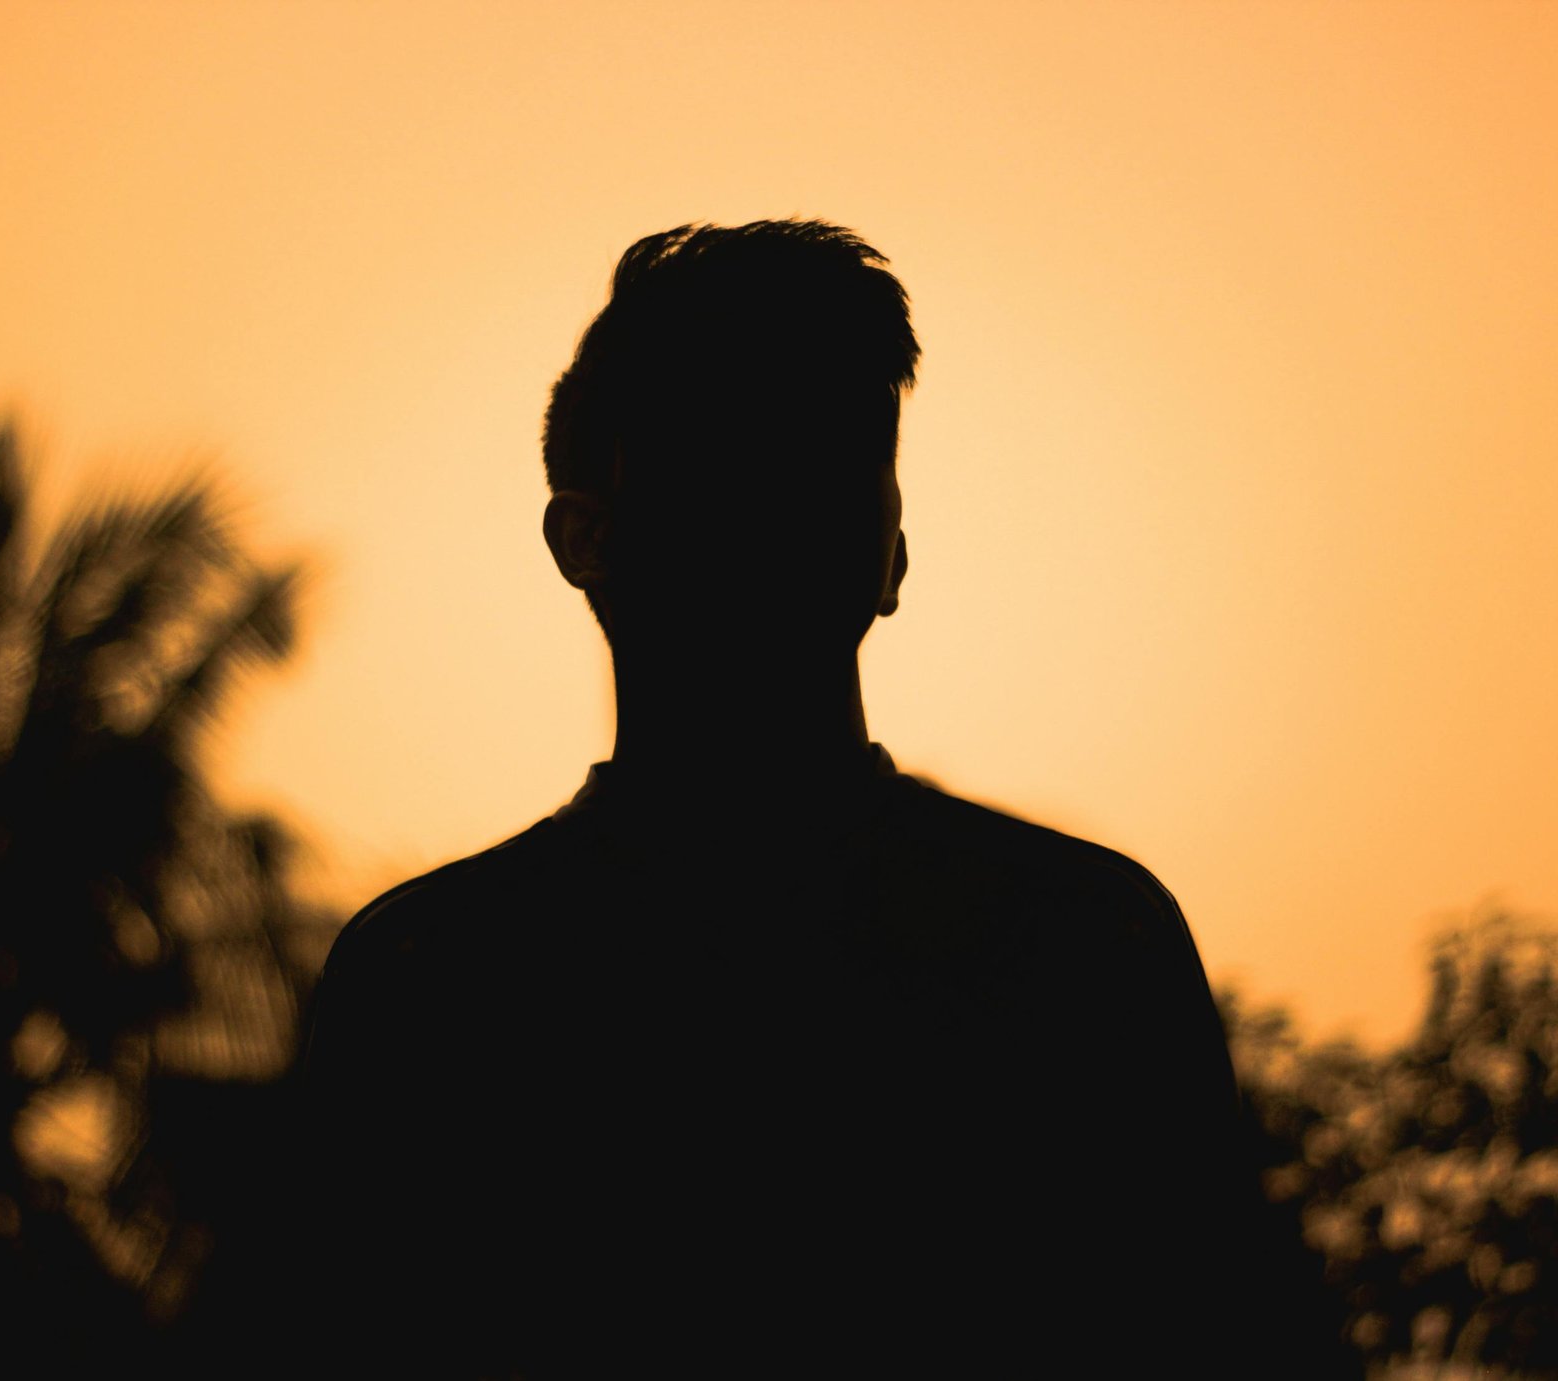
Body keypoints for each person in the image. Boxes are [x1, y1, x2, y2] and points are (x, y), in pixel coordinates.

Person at [299, 220, 1307, 1378]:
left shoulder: (1084, 945)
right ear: (587, 536)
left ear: (895, 552)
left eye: (840, 448)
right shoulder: (435, 984)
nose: (795, 491)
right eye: (736, 446)